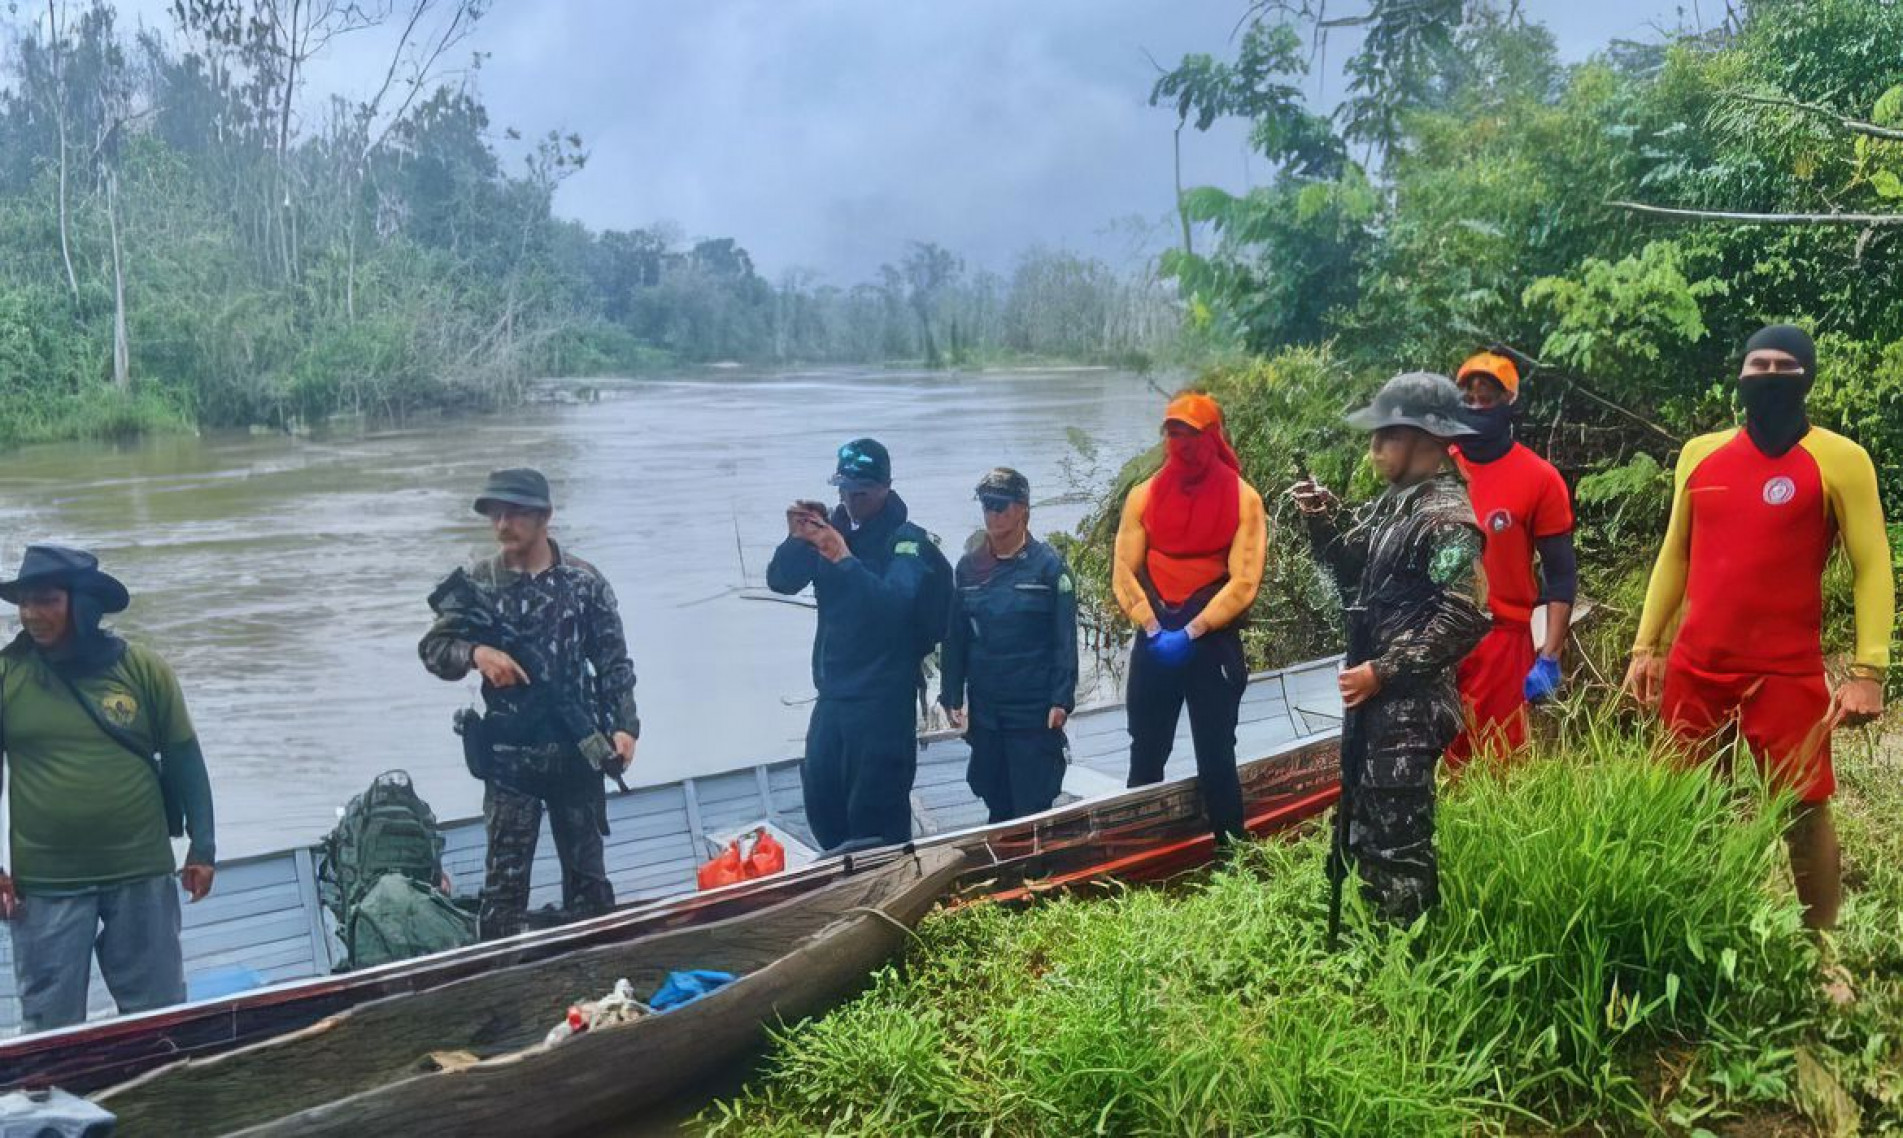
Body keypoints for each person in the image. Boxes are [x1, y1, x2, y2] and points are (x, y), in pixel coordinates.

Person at [1625, 325, 1891, 934]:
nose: (1767, 375)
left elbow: (1873, 564)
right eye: (1756, 364)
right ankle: (1701, 928)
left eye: (1783, 366)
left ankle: (1820, 948)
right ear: (1739, 375)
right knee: (1689, 805)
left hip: (1786, 670)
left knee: (1804, 811)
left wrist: (1869, 670)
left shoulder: (1840, 459)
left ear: (1808, 376)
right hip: (1697, 664)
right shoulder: (1700, 453)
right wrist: (1647, 647)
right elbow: (1675, 553)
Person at [1292, 373, 1489, 925]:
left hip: (1409, 707)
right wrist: (1321, 519)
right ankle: (1371, 955)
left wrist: (1383, 670)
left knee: (1399, 850)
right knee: (1364, 833)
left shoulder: (1445, 517)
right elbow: (1355, 569)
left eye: (1386, 438)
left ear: (1427, 439)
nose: (1374, 450)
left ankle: (1408, 967)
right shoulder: (1399, 503)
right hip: (1379, 706)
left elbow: (1468, 613)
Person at [0, 545, 216, 1032]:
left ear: (83, 604)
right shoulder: (7, 676)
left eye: (46, 601)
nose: (31, 614)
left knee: (158, 1016)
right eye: (24, 601)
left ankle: (160, 1099)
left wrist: (203, 846)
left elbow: (184, 757)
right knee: (49, 1026)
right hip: (47, 884)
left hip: (140, 871)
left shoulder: (142, 668)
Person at [420, 468, 639, 940]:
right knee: (503, 896)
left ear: (545, 517)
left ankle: (599, 977)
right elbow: (434, 651)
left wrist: (625, 727)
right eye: (495, 514)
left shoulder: (584, 582)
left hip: (577, 752)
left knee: (590, 891)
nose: (502, 524)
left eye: (515, 512)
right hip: (510, 761)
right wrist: (476, 655)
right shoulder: (479, 584)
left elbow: (613, 662)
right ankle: (502, 989)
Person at [768, 438, 950, 850]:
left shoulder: (907, 542)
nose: (850, 500)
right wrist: (798, 538)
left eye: (861, 491)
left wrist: (846, 561)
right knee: (823, 802)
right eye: (843, 489)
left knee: (876, 817)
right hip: (834, 695)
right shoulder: (831, 533)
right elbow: (780, 580)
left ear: (885, 486)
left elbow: (894, 608)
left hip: (884, 700)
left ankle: (896, 891)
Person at [1112, 393, 1265, 845]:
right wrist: (1151, 623)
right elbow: (1122, 568)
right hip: (1157, 635)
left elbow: (1243, 582)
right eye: (1174, 432)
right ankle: (1136, 851)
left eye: (1192, 433)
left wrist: (1194, 629)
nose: (1182, 442)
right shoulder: (1143, 495)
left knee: (1216, 753)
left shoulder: (1244, 499)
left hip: (1210, 642)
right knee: (1146, 749)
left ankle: (1231, 853)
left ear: (1213, 435)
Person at [1446, 351, 1579, 768]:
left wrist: (1550, 657)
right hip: (1436, 641)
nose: (1477, 404)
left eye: (1488, 397)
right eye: (1468, 396)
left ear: (1510, 404)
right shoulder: (1434, 467)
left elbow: (1560, 574)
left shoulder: (1538, 478)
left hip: (1501, 640)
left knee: (1499, 767)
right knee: (1439, 770)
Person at [939, 468, 1079, 824]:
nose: (994, 513)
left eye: (1001, 505)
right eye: (987, 505)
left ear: (1023, 510)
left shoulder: (1050, 569)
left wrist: (1061, 699)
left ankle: (1036, 873)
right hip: (986, 708)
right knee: (993, 792)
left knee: (1032, 801)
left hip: (1032, 709)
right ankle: (1001, 867)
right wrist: (951, 694)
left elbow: (1064, 640)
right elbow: (956, 638)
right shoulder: (968, 569)